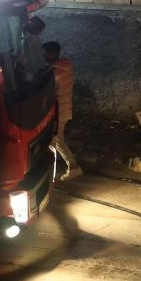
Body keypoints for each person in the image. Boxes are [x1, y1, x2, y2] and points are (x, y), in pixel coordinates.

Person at [44, 41, 82, 181]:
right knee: (57, 140)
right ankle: (72, 167)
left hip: (59, 111)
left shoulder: (55, 73)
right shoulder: (65, 66)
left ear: (52, 54)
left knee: (54, 141)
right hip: (64, 109)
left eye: (45, 53)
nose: (43, 55)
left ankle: (69, 168)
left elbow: (45, 86)